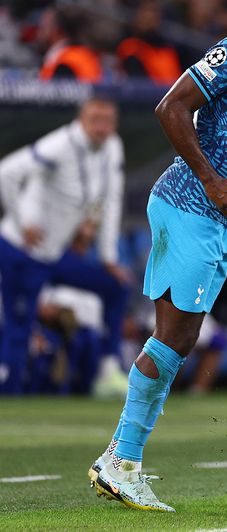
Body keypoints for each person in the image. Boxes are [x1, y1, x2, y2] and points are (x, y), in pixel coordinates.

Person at [87, 0, 227, 512]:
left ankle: (121, 456)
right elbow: (169, 107)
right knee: (171, 337)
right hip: (188, 206)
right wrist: (211, 182)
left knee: (182, 339)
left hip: (218, 219)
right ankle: (122, 462)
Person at [0, 97, 129, 396]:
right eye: (95, 120)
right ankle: (10, 394)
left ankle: (108, 371)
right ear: (81, 120)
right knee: (19, 328)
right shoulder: (59, 145)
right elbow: (6, 172)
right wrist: (21, 222)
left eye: (108, 121)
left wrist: (108, 257)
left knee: (116, 286)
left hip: (55, 254)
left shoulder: (112, 147)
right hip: (21, 251)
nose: (102, 128)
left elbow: (111, 202)